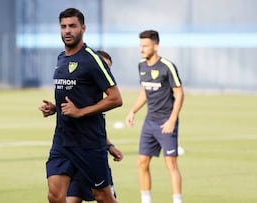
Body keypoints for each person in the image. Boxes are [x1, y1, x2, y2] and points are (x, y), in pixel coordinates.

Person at [39, 8, 122, 203]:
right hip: (62, 140)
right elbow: (72, 96)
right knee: (55, 196)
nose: (67, 31)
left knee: (103, 197)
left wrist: (81, 112)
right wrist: (54, 108)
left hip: (89, 142)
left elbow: (116, 98)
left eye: (72, 26)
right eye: (63, 27)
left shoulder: (92, 59)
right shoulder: (61, 58)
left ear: (83, 28)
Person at [125, 30, 184, 203]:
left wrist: (172, 120)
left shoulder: (167, 66)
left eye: (145, 46)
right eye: (140, 46)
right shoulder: (141, 65)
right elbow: (144, 91)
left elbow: (179, 94)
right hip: (149, 122)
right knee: (141, 162)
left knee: (171, 165)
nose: (141, 49)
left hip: (166, 122)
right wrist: (133, 111)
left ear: (155, 46)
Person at [66, 50, 123, 203]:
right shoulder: (79, 93)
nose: (105, 73)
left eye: (108, 69)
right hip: (76, 156)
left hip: (95, 157)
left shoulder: (103, 100)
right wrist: (54, 108)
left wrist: (110, 146)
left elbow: (96, 128)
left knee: (105, 198)